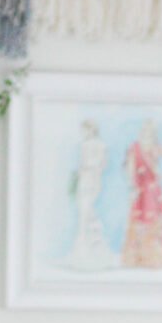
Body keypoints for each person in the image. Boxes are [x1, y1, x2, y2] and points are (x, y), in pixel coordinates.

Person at [121, 119, 162, 270]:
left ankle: (153, 256)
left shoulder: (156, 147)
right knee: (140, 220)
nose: (147, 133)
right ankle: (140, 256)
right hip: (140, 190)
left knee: (153, 218)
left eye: (150, 131)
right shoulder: (135, 148)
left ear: (153, 133)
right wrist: (132, 186)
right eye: (145, 130)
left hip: (153, 190)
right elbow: (130, 169)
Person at [65, 117, 114, 273]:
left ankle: (88, 251)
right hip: (89, 180)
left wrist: (87, 168)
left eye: (84, 129)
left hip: (90, 180)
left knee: (85, 215)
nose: (83, 133)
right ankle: (89, 250)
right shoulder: (91, 145)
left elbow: (99, 164)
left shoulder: (91, 145)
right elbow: (100, 164)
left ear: (91, 129)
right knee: (86, 213)